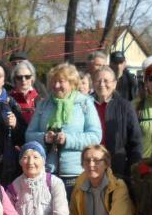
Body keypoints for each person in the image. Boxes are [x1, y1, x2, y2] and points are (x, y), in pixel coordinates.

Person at [25, 63, 102, 194]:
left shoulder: (85, 104)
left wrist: (68, 140)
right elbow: (29, 135)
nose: (56, 86)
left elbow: (95, 136)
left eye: (61, 82)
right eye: (53, 82)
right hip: (47, 172)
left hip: (75, 174)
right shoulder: (44, 104)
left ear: (72, 83)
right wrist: (44, 138)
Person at [91, 66, 142, 181]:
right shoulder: (86, 104)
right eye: (98, 81)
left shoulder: (125, 106)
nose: (102, 84)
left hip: (117, 167)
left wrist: (133, 168)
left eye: (106, 81)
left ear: (114, 84)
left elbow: (136, 140)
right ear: (93, 83)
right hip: (90, 165)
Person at [8, 59, 41, 124]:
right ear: (14, 79)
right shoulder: (8, 99)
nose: (23, 80)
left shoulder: (41, 99)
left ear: (32, 78)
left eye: (27, 76)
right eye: (19, 77)